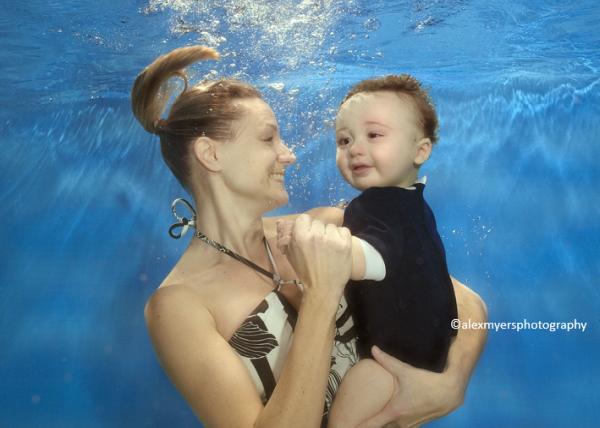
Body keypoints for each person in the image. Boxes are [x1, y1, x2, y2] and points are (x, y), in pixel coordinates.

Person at [131, 45, 488, 428]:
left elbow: (467, 306)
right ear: (210, 154)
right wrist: (321, 295)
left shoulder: (329, 226)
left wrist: (452, 382)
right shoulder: (177, 307)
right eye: (269, 139)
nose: (288, 155)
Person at [278, 75, 467, 427]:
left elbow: (376, 259)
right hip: (426, 352)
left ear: (420, 150)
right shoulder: (413, 202)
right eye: (344, 139)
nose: (354, 148)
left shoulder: (379, 204)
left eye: (374, 135)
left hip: (388, 363)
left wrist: (319, 247)